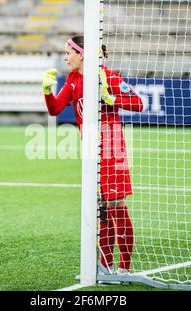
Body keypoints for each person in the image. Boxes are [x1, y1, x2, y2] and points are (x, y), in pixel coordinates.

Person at [42, 35, 144, 274]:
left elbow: (138, 104)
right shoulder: (73, 79)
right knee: (101, 208)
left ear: (82, 54)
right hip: (91, 151)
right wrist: (47, 90)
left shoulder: (106, 76)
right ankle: (105, 267)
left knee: (116, 205)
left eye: (68, 52)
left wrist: (111, 99)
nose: (65, 57)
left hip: (112, 147)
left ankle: (124, 268)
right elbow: (55, 109)